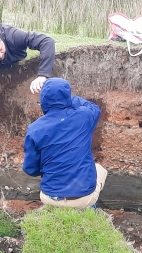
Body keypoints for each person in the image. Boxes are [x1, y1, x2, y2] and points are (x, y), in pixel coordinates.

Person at [22, 78, 107, 210]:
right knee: (100, 170)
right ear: (68, 98)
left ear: (43, 100)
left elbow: (30, 169)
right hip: (82, 199)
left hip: (50, 197)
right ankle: (89, 208)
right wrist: (66, 98)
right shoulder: (83, 117)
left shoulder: (34, 129)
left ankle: (58, 209)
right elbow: (93, 107)